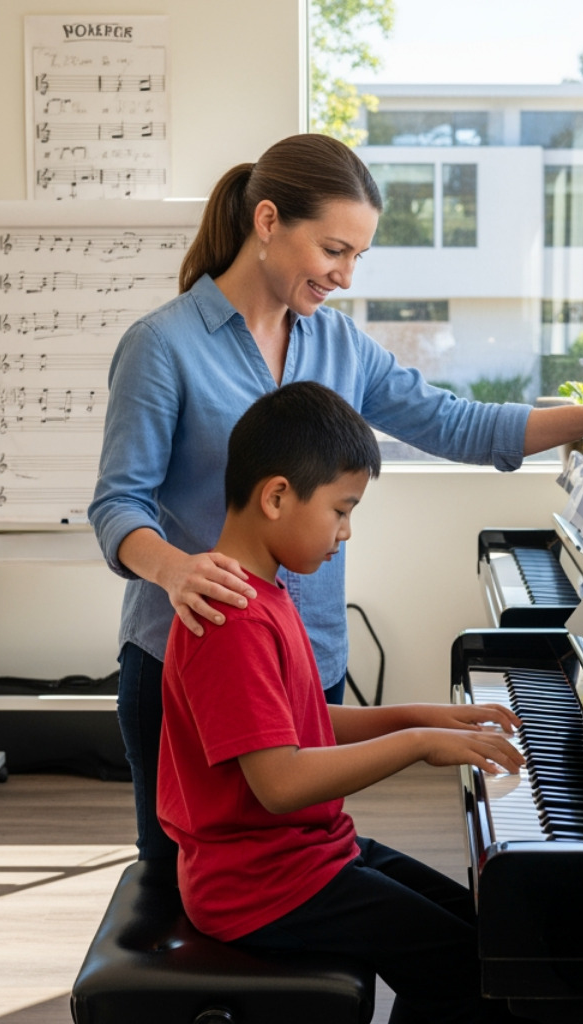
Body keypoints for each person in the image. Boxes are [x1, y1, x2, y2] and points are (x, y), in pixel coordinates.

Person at [88, 132, 583, 865]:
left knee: (296, 875)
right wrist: (175, 569)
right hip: (182, 665)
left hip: (308, 657)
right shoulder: (162, 345)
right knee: (187, 888)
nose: (344, 275)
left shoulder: (340, 345)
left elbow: (455, 423)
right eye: (334, 250)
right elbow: (118, 506)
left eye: (357, 257)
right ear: (269, 222)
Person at [158, 382, 524, 1023]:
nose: (347, 532)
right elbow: (278, 781)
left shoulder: (265, 590)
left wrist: (419, 716)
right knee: (467, 965)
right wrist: (415, 746)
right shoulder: (232, 618)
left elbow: (297, 722)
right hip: (261, 886)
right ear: (276, 497)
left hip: (303, 853)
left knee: (486, 929)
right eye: (341, 509)